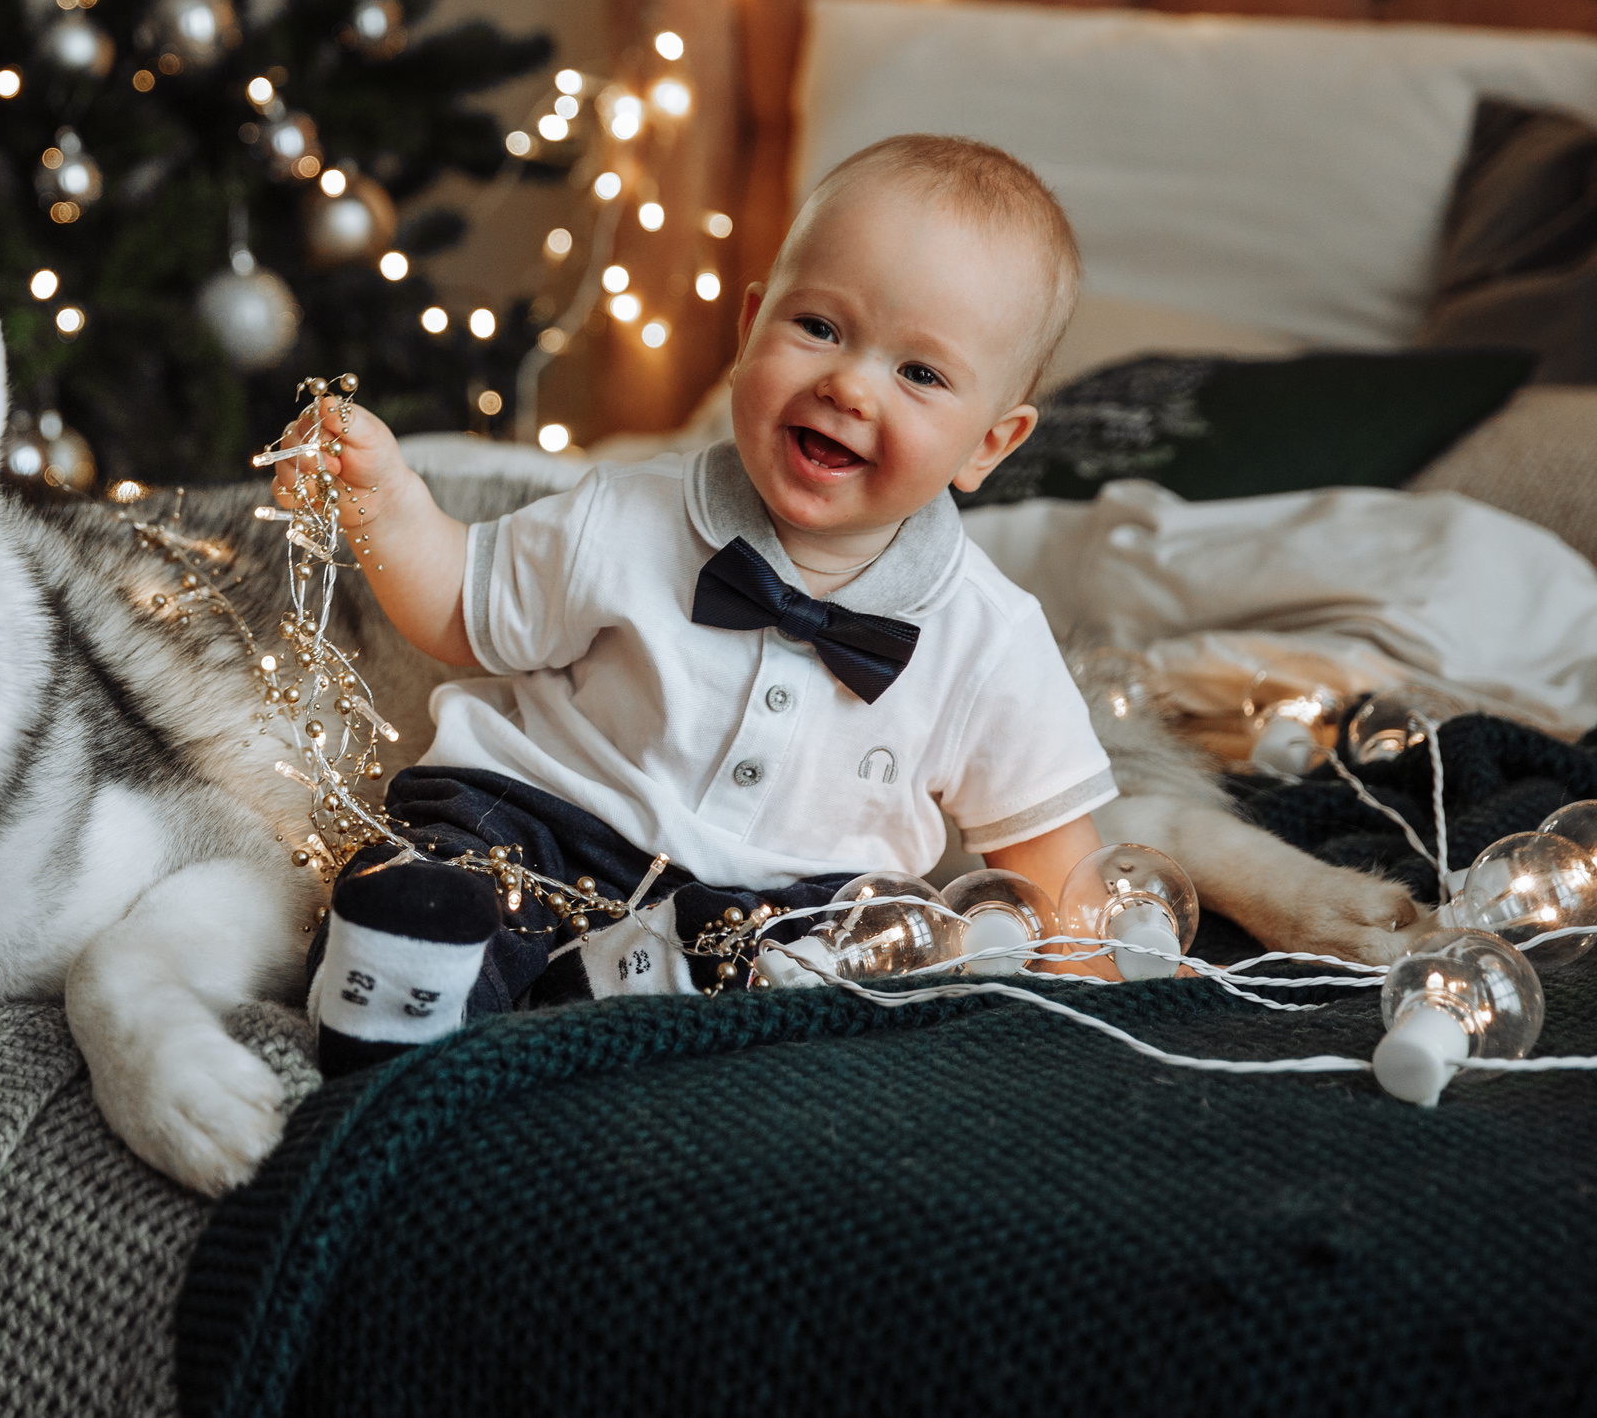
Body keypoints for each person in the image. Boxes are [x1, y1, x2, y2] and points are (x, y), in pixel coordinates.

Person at [277, 134, 1118, 1075]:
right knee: (449, 864)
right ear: (751, 326)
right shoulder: (628, 514)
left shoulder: (990, 640)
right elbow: (461, 610)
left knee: (849, 947)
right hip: (542, 822)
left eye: (920, 374)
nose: (847, 384)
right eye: (820, 328)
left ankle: (610, 999)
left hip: (766, 909)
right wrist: (385, 500)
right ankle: (401, 990)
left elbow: (1053, 861)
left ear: (988, 446)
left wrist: (1087, 1026)